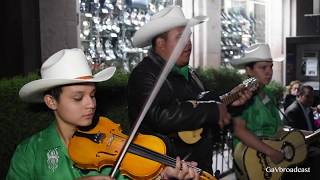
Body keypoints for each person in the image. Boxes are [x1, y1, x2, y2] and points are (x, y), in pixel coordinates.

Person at [6, 48, 201, 180]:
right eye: (77, 98)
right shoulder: (28, 153)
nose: (91, 104)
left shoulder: (112, 141)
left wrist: (161, 174)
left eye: (92, 94)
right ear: (51, 101)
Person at [127, 6, 252, 174]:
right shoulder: (144, 74)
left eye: (188, 37)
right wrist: (210, 110)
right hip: (166, 171)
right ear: (160, 43)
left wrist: (231, 101)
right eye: (180, 38)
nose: (188, 44)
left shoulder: (189, 73)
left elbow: (199, 105)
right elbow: (159, 117)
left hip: (197, 168)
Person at [230, 44, 285, 179]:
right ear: (249, 70)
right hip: (250, 161)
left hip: (270, 160)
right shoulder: (239, 94)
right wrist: (271, 152)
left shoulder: (269, 94)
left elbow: (278, 128)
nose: (269, 71)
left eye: (271, 66)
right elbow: (239, 130)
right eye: (263, 67)